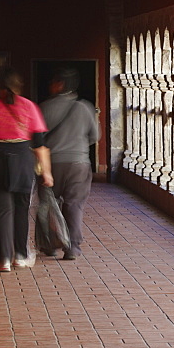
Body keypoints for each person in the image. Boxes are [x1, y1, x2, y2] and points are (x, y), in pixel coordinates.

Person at [0, 68, 53, 272]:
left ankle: (4, 261)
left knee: (2, 211)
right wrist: (46, 172)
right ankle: (20, 256)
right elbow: (39, 143)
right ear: (19, 87)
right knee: (21, 210)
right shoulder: (30, 107)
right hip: (23, 159)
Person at [39, 67, 101, 260]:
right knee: (74, 205)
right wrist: (78, 146)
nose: (50, 85)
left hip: (52, 164)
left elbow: (37, 138)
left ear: (60, 84)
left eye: (53, 82)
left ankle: (50, 245)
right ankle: (72, 248)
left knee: (49, 204)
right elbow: (95, 136)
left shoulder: (44, 107)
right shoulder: (85, 107)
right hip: (79, 163)